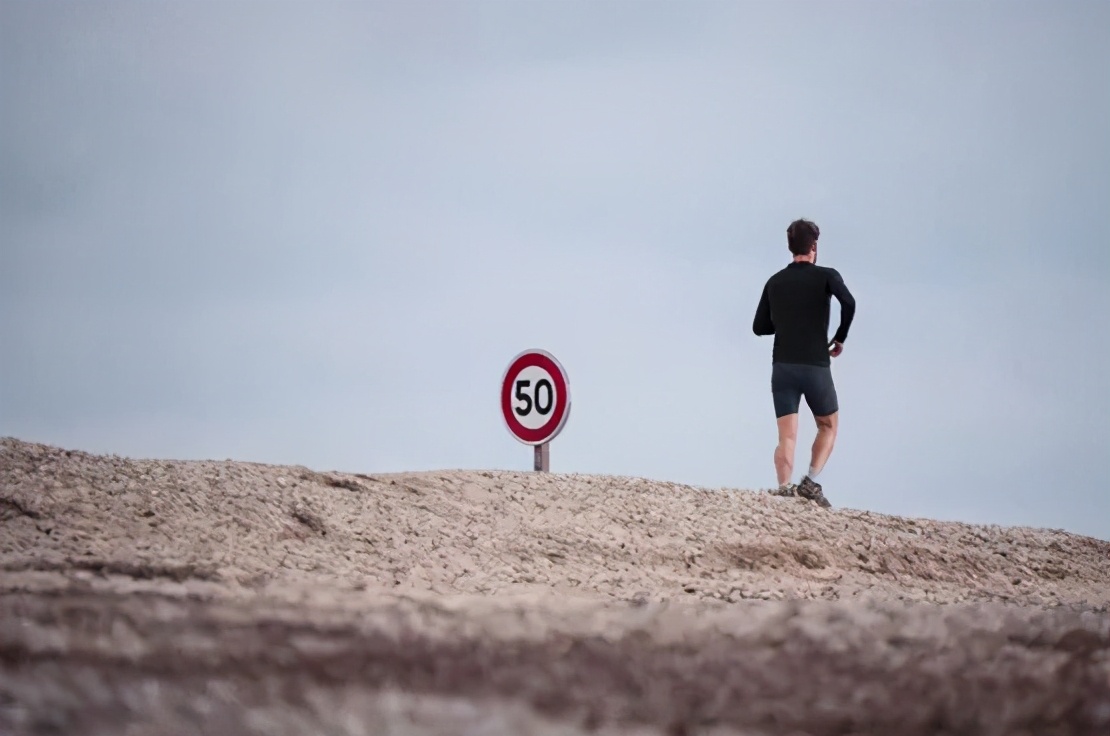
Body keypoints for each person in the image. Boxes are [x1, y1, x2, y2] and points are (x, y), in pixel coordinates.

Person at [752, 218, 855, 508]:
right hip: (815, 366)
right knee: (828, 425)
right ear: (814, 246)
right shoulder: (826, 276)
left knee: (787, 435)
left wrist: (787, 321)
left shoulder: (775, 281)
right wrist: (840, 337)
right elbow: (849, 303)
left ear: (790, 247)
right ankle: (809, 481)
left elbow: (760, 327)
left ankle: (784, 487)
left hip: (782, 366)